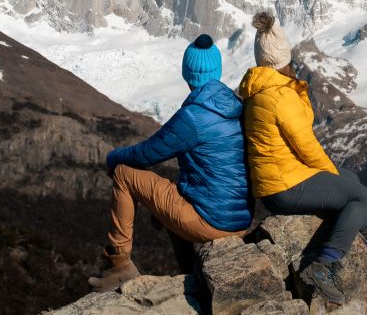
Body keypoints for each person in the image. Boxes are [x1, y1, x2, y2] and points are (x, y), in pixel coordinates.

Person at [239, 12, 367, 304]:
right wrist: (331, 174)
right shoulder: (279, 95)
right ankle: (325, 263)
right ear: (284, 56)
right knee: (361, 197)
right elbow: (307, 145)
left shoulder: (258, 90)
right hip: (285, 187)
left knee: (350, 179)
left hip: (276, 182)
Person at [89, 34, 254, 291]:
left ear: (188, 73)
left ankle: (118, 265)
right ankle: (191, 273)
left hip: (212, 223)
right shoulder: (234, 105)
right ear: (217, 70)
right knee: (169, 202)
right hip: (240, 220)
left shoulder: (195, 116)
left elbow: (147, 154)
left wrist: (112, 158)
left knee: (123, 173)